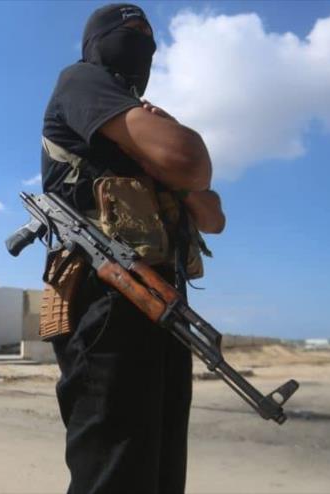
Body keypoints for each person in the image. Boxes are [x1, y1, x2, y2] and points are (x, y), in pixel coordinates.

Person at [40, 4, 225, 493]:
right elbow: (189, 158)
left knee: (161, 471)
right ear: (97, 42)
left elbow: (213, 215)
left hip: (161, 301)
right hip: (106, 299)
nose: (141, 39)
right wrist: (174, 166)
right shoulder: (81, 81)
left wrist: (173, 173)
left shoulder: (136, 125)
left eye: (147, 32)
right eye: (128, 31)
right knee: (115, 472)